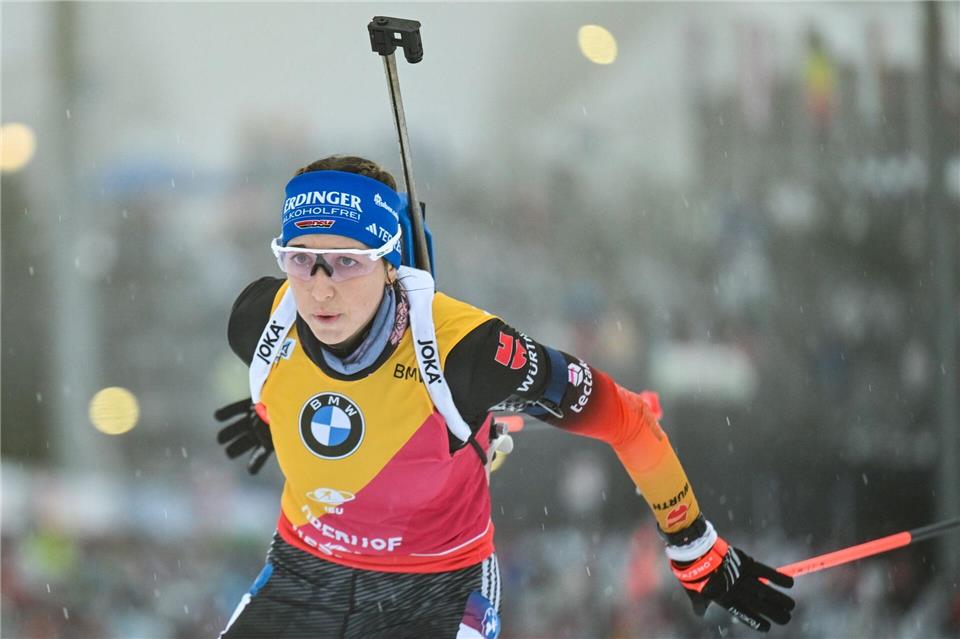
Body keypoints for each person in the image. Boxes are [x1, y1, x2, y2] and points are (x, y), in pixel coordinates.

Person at [215, 155, 796, 638]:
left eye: (347, 262)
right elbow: (320, 391)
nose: (319, 290)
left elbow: (628, 418)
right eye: (301, 260)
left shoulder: (470, 352)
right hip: (303, 575)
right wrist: (272, 417)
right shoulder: (259, 323)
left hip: (436, 590)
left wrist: (693, 545)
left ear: (390, 262)